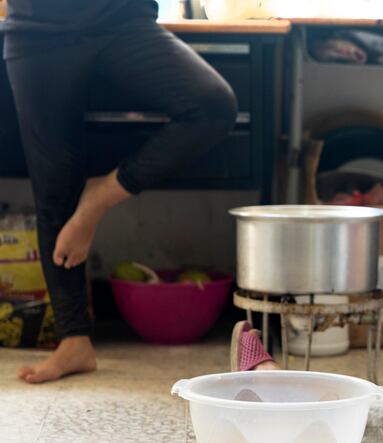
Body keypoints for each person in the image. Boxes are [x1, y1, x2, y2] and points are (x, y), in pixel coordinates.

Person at [3, 0, 238, 383]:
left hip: (122, 21)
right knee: (53, 189)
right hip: (36, 29)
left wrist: (109, 191)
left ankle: (101, 195)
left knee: (213, 106)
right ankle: (74, 340)